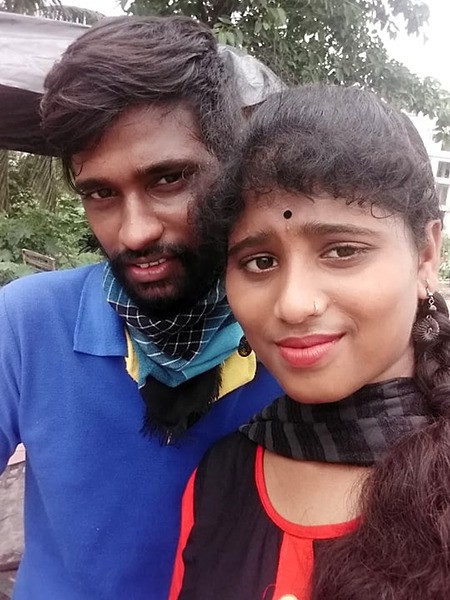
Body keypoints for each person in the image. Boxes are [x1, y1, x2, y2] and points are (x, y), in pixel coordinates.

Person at [0, 16, 282, 600]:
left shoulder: (297, 339)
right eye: (100, 193)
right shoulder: (27, 324)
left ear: (233, 170)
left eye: (169, 179)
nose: (133, 233)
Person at [169, 85, 450, 600]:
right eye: (260, 261)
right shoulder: (222, 476)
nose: (294, 304)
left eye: (341, 251)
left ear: (425, 256)